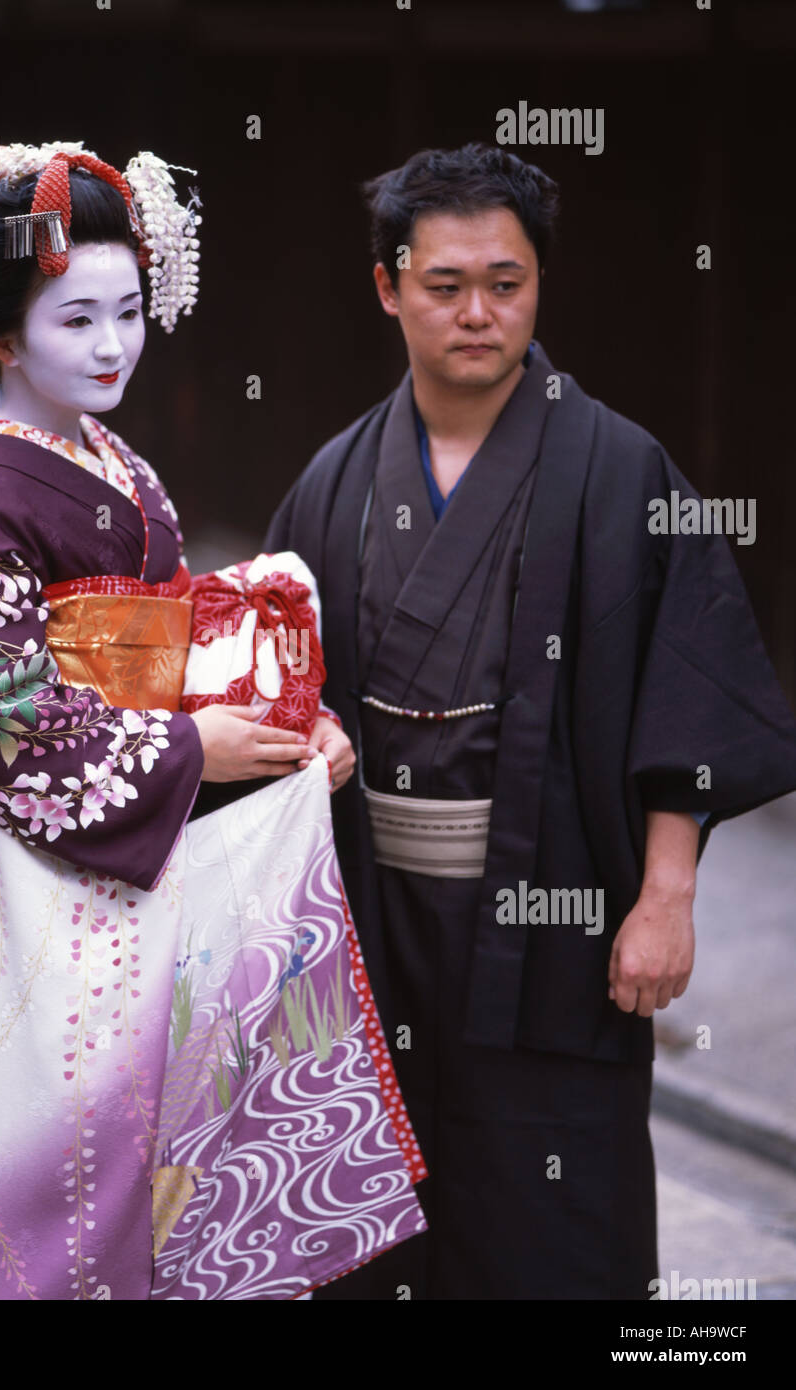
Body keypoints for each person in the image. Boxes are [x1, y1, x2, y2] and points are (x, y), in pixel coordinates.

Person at [0, 139, 426, 1299]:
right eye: (74, 321)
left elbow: (168, 643)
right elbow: (2, 728)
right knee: (51, 1186)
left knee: (148, 1169)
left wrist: (292, 718)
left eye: (128, 313)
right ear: (1, 333)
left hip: (129, 861)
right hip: (29, 883)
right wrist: (193, 746)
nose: (111, 348)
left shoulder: (109, 458)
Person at [263, 142, 796, 1299]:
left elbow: (688, 700)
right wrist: (299, 733)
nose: (474, 312)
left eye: (504, 284)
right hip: (371, 917)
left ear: (538, 286)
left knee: (552, 1235)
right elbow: (271, 687)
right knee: (372, 1231)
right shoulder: (332, 481)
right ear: (386, 286)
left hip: (555, 921)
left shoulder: (620, 471)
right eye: (443, 285)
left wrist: (665, 898)